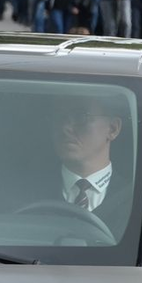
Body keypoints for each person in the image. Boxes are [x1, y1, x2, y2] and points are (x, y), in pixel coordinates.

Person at [50, 91, 133, 238]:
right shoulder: (23, 193)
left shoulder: (140, 202)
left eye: (80, 117)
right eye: (59, 117)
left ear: (113, 128)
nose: (65, 127)